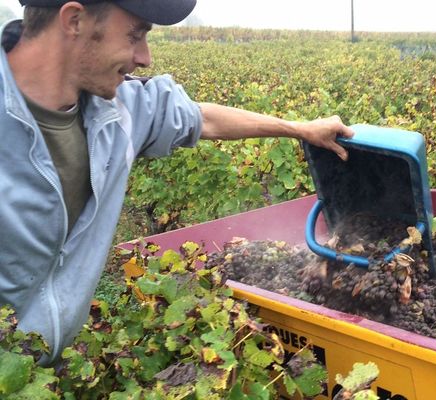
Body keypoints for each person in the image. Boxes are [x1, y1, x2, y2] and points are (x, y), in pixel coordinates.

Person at [0, 0, 354, 365]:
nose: (145, 56)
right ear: (74, 20)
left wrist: (298, 129)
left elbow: (204, 119)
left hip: (47, 375)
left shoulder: (121, 110)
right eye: (135, 34)